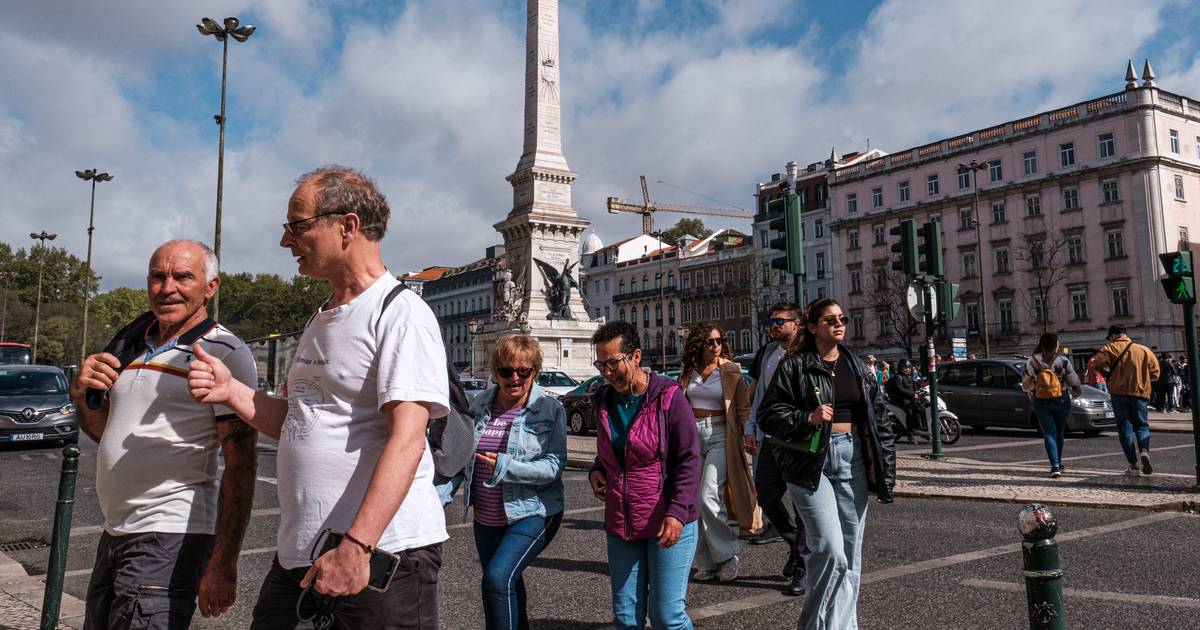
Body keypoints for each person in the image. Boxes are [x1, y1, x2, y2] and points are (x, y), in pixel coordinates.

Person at [187, 166, 450, 628]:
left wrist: (357, 547)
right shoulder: (321, 316)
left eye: (298, 226)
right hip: (302, 555)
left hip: (376, 557)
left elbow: (408, 440)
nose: (285, 241)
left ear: (347, 226)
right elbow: (299, 419)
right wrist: (231, 391)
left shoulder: (401, 314)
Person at [71, 239, 259, 628]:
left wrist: (223, 563)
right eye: (158, 276)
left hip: (170, 534)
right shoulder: (131, 346)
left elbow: (241, 465)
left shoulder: (223, 351)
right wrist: (82, 397)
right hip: (115, 530)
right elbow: (108, 434)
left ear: (211, 287)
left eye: (182, 276)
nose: (167, 287)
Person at [760, 298, 896, 630]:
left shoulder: (859, 367)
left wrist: (886, 476)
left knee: (850, 556)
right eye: (830, 319)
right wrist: (807, 417)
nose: (839, 324)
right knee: (829, 549)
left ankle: (843, 627)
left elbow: (880, 423)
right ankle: (814, 625)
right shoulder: (794, 366)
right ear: (811, 326)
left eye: (842, 318)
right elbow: (768, 415)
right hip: (810, 462)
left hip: (854, 459)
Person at [588, 321, 701, 630]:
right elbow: (614, 450)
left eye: (613, 362)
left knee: (667, 617)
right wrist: (596, 470)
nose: (607, 372)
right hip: (622, 520)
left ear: (635, 356)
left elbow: (690, 459)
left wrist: (677, 513)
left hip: (668, 518)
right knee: (626, 618)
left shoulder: (668, 396)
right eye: (601, 364)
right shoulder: (602, 400)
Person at [460, 334, 566, 630]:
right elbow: (461, 458)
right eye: (507, 371)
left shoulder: (549, 408)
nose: (515, 378)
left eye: (524, 371)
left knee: (497, 578)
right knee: (507, 582)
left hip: (534, 511)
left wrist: (508, 467)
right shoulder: (480, 403)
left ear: (535, 371)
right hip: (487, 516)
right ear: (496, 371)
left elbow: (555, 466)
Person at [678, 322, 757, 582]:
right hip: (692, 435)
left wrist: (748, 433)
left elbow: (743, 407)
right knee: (694, 501)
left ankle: (728, 555)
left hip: (721, 434)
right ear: (699, 344)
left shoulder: (731, 369)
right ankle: (707, 562)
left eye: (719, 340)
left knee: (708, 495)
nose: (715, 345)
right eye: (710, 341)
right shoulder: (689, 371)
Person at [745, 301, 808, 597]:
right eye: (771, 322)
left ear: (796, 323)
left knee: (801, 505)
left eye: (780, 321)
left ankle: (802, 568)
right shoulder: (768, 353)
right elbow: (759, 394)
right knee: (766, 495)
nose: (773, 326)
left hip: (799, 438)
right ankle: (796, 543)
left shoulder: (808, 353)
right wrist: (750, 427)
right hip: (770, 437)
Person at [1091, 325, 1160, 476]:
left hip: (1118, 393)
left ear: (1113, 335)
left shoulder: (1109, 348)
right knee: (1142, 425)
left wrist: (1107, 374)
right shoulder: (1144, 350)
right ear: (1125, 334)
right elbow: (1155, 373)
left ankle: (1133, 465)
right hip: (1140, 393)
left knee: (1124, 428)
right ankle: (1144, 451)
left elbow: (1096, 364)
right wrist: (1143, 380)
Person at [1022, 333, 1082, 478]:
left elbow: (1025, 383)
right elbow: (1074, 381)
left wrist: (1030, 390)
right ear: (1055, 344)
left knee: (1049, 433)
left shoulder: (1032, 360)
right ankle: (1059, 463)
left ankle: (1054, 465)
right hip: (1061, 398)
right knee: (1059, 433)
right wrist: (1075, 389)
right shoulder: (1063, 360)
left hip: (1041, 399)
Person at [885, 358, 922, 444]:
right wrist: (912, 394)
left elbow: (914, 385)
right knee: (909, 412)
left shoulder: (908, 377)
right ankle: (910, 434)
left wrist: (922, 385)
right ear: (900, 368)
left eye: (908, 367)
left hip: (908, 399)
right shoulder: (898, 378)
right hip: (900, 400)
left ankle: (920, 428)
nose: (907, 369)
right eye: (905, 367)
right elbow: (901, 390)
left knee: (922, 407)